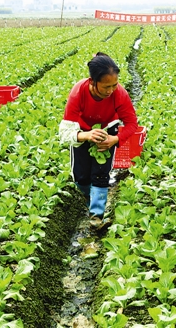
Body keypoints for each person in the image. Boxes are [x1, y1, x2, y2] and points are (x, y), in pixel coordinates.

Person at [59, 52, 138, 227]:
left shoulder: (119, 94)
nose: (111, 91)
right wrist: (86, 135)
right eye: (106, 87)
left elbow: (132, 123)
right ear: (93, 81)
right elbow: (65, 132)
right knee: (81, 177)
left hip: (107, 131)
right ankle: (88, 201)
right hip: (82, 131)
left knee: (101, 174)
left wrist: (114, 139)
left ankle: (96, 215)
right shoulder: (78, 92)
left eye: (114, 85)